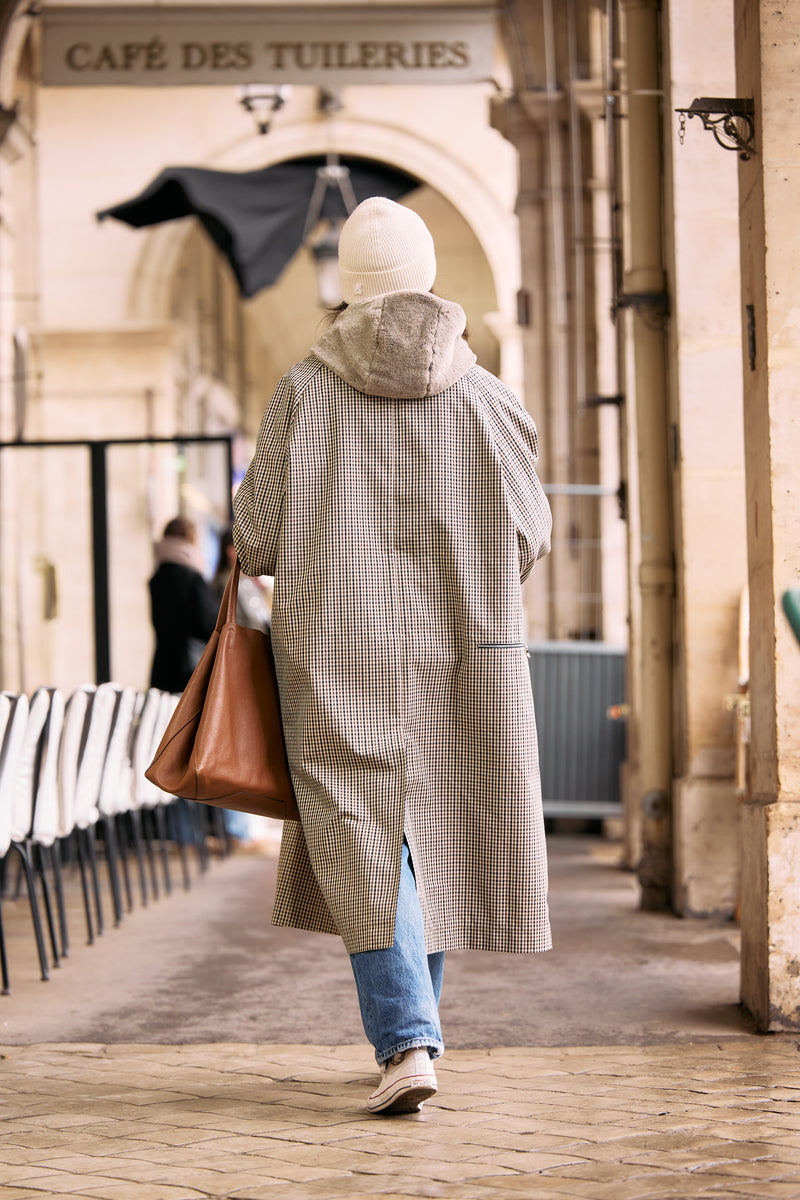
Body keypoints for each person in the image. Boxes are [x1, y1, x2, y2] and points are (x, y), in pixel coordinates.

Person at [232, 197, 552, 1115]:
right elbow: (529, 534)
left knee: (368, 836)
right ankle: (412, 1032)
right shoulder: (492, 400)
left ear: (350, 285)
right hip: (468, 651)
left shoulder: (303, 389)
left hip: (336, 649)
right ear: (426, 275)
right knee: (437, 831)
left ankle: (407, 1036)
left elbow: (256, 538)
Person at [148, 515, 218, 693]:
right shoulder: (192, 578)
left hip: (162, 665)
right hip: (190, 666)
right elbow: (208, 624)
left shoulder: (157, 578)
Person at [212, 525, 272, 633]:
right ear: (232, 550)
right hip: (244, 646)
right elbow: (248, 622)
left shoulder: (250, 581)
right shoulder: (226, 584)